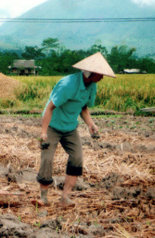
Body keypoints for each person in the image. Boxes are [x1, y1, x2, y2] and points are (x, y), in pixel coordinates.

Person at [32, 52, 116, 207]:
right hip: (53, 125)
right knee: (47, 158)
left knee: (77, 158)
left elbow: (83, 107)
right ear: (90, 73)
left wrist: (91, 124)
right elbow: (50, 108)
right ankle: (43, 198)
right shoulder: (67, 85)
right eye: (100, 74)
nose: (102, 77)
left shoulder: (92, 86)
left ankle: (65, 198)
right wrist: (43, 132)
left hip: (70, 127)